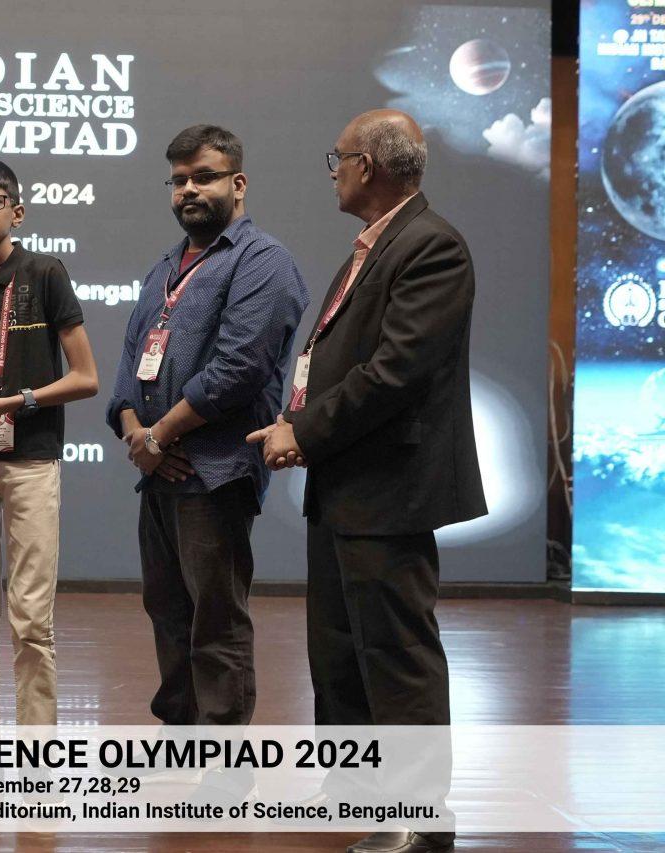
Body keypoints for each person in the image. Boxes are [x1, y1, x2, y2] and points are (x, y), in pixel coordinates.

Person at [248, 110, 486, 853]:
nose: (333, 172)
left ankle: (419, 818)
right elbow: (339, 360)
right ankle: (355, 788)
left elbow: (394, 373)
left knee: (395, 652)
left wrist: (304, 430)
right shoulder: (376, 244)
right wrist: (298, 421)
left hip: (391, 486)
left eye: (339, 158)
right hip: (348, 482)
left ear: (370, 167)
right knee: (340, 649)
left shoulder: (432, 245)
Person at [107, 125, 308, 732]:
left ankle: (224, 763)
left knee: (215, 621)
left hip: (215, 472)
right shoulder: (165, 267)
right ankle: (179, 741)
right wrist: (136, 432)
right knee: (167, 612)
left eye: (204, 177)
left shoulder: (263, 261)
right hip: (158, 470)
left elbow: (238, 370)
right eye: (179, 181)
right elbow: (129, 364)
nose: (189, 190)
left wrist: (158, 436)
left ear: (237, 184)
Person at [0, 158, 98, 728]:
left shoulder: (46, 274)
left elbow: (86, 379)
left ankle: (37, 750)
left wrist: (7, 404)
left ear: (18, 212)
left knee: (31, 619)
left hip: (32, 460)